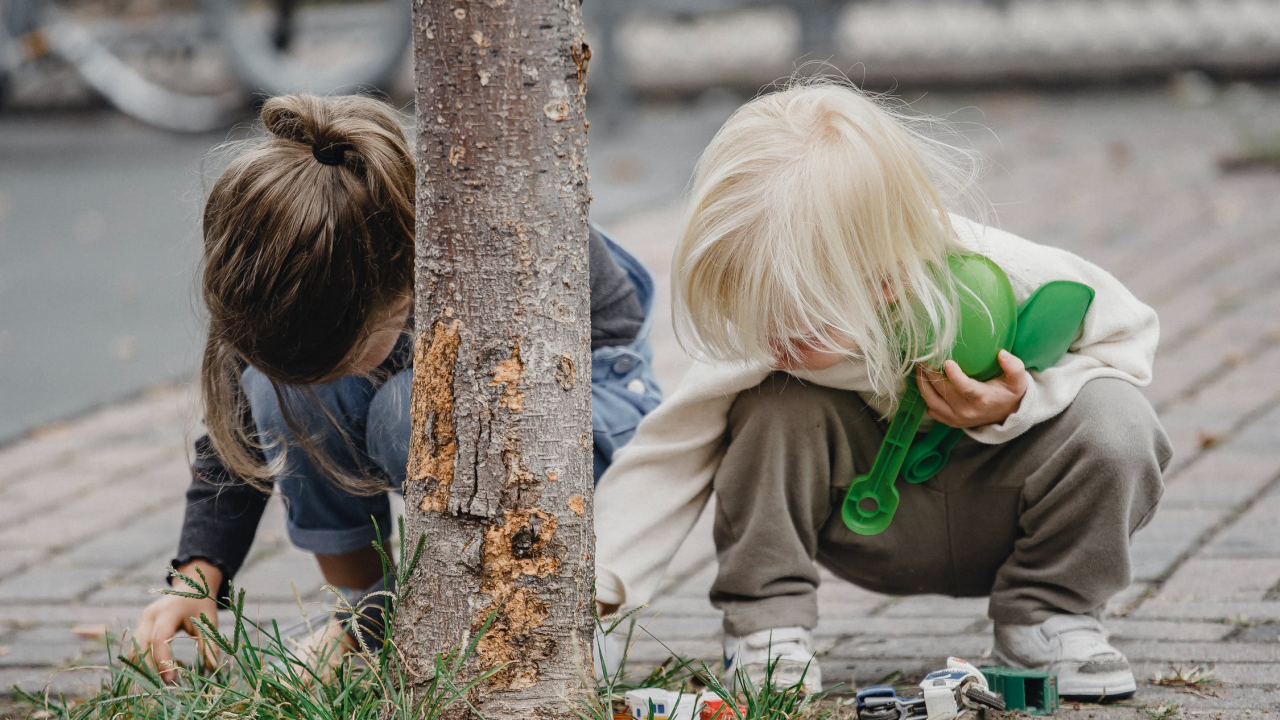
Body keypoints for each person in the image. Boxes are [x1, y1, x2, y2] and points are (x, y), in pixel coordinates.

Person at [592, 80, 1170, 700]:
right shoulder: (774, 339)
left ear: (887, 279)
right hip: (867, 525)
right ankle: (768, 630)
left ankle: (1048, 617)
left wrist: (1024, 403)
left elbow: (1129, 342)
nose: (771, 335)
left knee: (1118, 421)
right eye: (757, 309)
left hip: (1002, 509)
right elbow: (671, 452)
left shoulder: (1008, 273)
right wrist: (597, 584)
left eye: (800, 319)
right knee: (770, 407)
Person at [130, 93, 662, 680]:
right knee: (282, 393)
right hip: (436, 396)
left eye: (341, 358)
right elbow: (236, 438)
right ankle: (367, 612)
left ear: (401, 296)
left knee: (405, 407)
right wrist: (195, 576)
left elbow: (581, 411)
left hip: (584, 408)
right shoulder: (290, 273)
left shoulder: (484, 239)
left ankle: (544, 616)